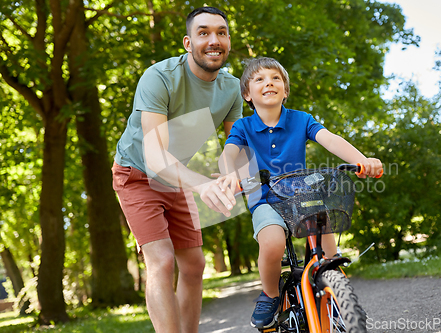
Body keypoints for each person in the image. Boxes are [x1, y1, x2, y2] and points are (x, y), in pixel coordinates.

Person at [218, 57, 383, 329]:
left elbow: (330, 139)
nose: (268, 82)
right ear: (247, 94)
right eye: (259, 79)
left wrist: (363, 160)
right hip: (265, 198)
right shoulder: (243, 127)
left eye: (275, 78)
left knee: (328, 250)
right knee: (271, 242)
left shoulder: (301, 119)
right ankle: (270, 294)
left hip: (302, 197)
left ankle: (336, 294)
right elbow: (230, 153)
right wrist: (228, 175)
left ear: (285, 90)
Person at [111, 7, 242, 333]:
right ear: (187, 42)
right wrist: (202, 185)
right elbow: (155, 157)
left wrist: (232, 174)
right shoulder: (159, 77)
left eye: (221, 32)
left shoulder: (232, 88)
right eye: (204, 33)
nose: (214, 40)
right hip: (137, 173)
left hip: (177, 176)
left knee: (195, 265)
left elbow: (235, 144)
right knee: (162, 260)